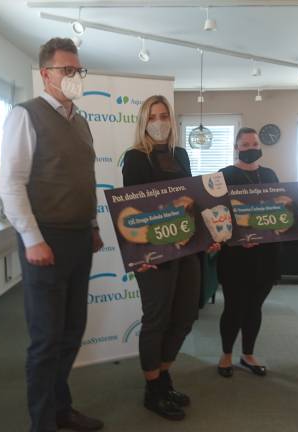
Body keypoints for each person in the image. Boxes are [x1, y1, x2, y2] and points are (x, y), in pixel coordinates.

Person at [0, 37, 104, 432]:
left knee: (72, 332)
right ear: (46, 74)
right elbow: (11, 183)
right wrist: (32, 239)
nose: (75, 76)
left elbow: (84, 179)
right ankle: (42, 423)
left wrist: (92, 226)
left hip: (79, 239)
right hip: (46, 240)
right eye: (67, 70)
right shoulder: (25, 115)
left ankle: (61, 409)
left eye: (78, 70)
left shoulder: (80, 121)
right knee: (46, 340)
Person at [121, 95, 220, 421]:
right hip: (154, 252)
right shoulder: (135, 158)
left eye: (164, 115)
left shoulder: (181, 155)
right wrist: (140, 253)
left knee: (185, 316)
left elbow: (191, 201)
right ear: (143, 122)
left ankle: (163, 377)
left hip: (187, 247)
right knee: (157, 319)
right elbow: (132, 208)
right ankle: (153, 390)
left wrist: (207, 236)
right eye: (153, 117)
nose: (159, 122)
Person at [215, 128, 280, 378]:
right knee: (234, 307)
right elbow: (218, 214)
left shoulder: (270, 174)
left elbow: (277, 208)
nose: (251, 148)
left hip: (266, 253)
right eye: (245, 144)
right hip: (236, 254)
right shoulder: (224, 175)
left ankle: (248, 354)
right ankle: (226, 355)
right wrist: (238, 238)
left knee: (255, 307)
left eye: (254, 144)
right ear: (236, 148)